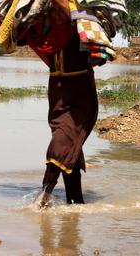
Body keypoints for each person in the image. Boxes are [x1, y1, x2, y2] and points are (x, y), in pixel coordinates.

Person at [35, 31, 98, 207]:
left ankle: (44, 196)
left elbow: (101, 50)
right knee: (70, 144)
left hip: (80, 91)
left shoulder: (81, 24)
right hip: (57, 90)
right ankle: (76, 202)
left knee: (63, 140)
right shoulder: (47, 27)